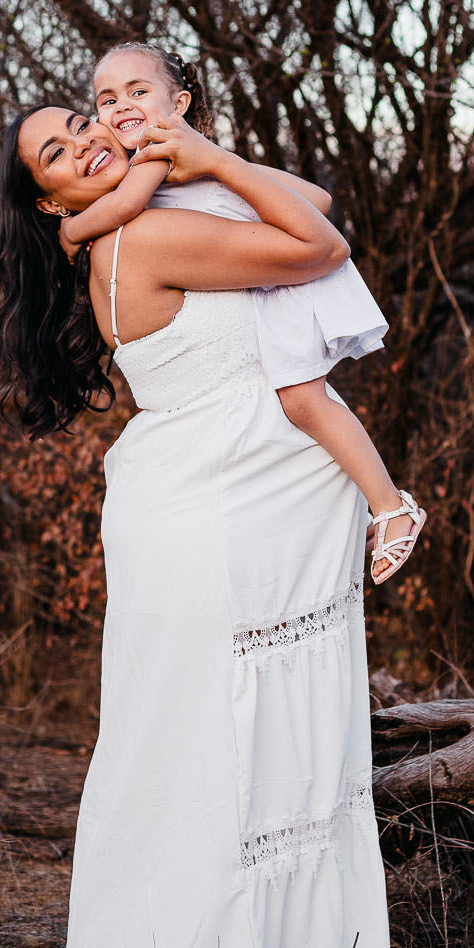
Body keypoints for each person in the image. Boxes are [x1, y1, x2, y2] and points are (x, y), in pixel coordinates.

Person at [0, 104, 393, 948]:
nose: (88, 138)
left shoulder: (131, 226)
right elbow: (317, 244)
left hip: (196, 515)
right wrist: (210, 157)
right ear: (50, 200)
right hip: (204, 530)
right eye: (59, 151)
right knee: (196, 763)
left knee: (201, 754)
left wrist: (205, 164)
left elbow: (308, 207)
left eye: (83, 120)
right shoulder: (152, 232)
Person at [61, 41, 425, 582]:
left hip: (281, 281)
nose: (121, 107)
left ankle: (392, 506)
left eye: (139, 91)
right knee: (304, 402)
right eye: (107, 99)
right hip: (262, 281)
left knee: (304, 401)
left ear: (178, 103)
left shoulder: (160, 153)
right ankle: (384, 502)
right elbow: (320, 199)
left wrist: (72, 229)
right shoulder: (171, 159)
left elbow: (126, 207)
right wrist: (214, 165)